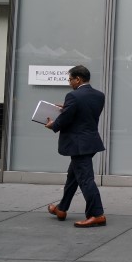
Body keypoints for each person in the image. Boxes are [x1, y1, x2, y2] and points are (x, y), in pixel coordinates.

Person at [45, 65, 107, 228]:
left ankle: (97, 214)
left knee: (86, 180)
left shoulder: (73, 96)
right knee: (73, 177)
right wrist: (66, 108)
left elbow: (65, 119)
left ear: (78, 79)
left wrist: (53, 125)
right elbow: (84, 114)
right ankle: (61, 209)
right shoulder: (99, 95)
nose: (69, 82)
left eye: (70, 79)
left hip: (78, 145)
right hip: (91, 142)